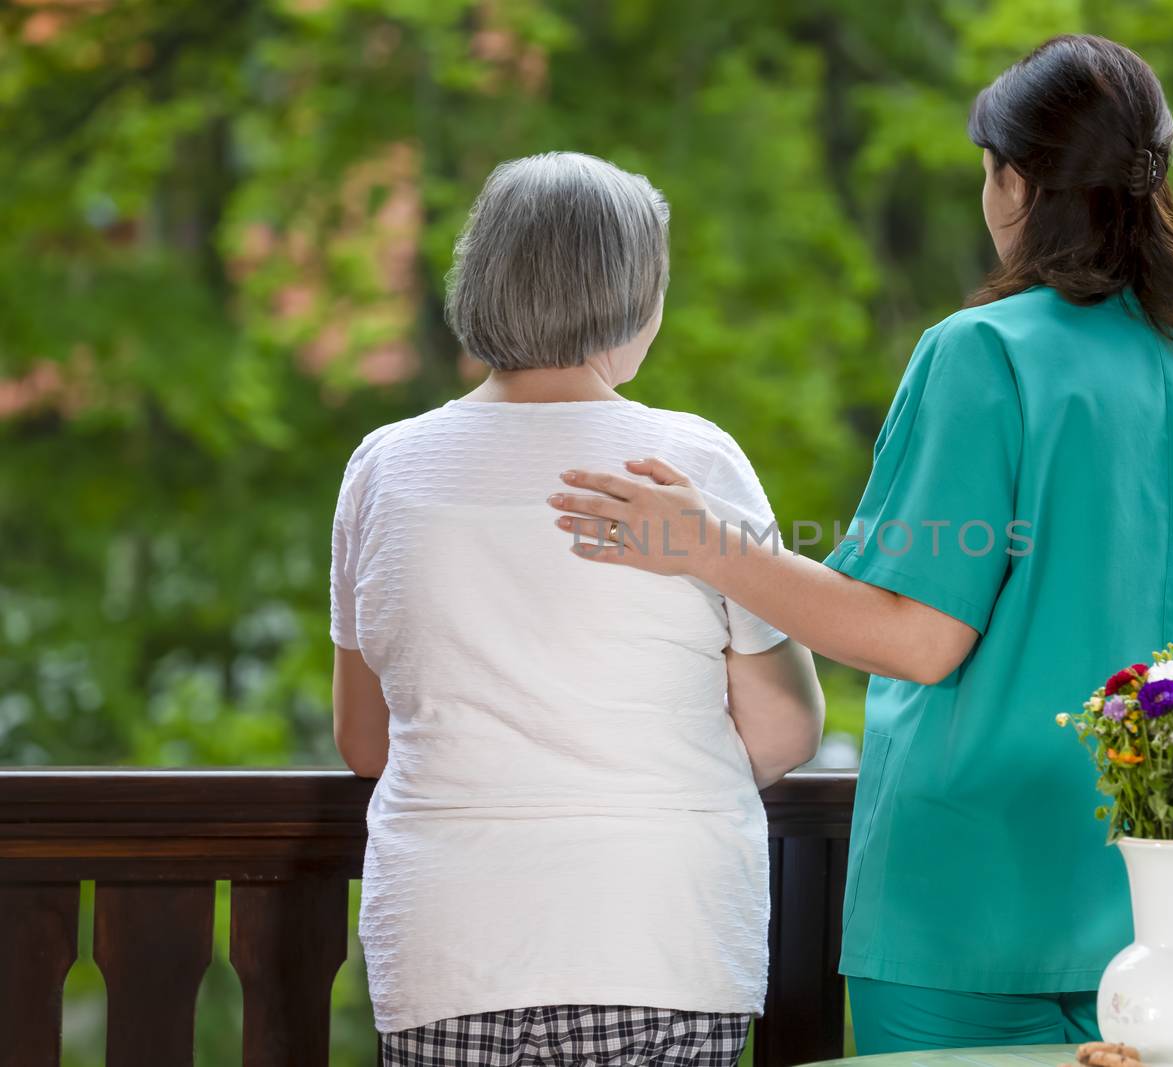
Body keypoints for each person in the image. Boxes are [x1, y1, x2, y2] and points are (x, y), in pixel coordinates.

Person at [546, 35, 1173, 1055]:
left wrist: (706, 546)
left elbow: (921, 636)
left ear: (1014, 180)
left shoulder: (979, 354)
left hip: (967, 906)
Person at [329, 151, 825, 1067]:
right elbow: (787, 729)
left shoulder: (385, 469)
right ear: (636, 297)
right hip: (659, 931)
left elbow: (366, 740)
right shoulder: (691, 463)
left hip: (447, 943)